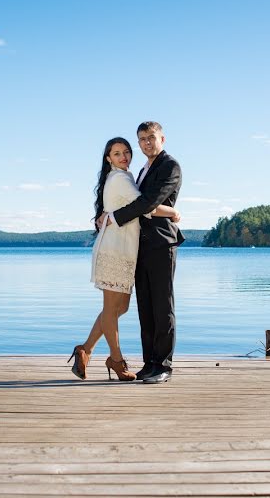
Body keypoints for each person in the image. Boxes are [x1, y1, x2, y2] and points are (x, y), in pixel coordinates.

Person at [69, 137, 179, 382]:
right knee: (112, 308)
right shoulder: (120, 178)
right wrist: (173, 212)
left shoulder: (125, 176)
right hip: (115, 250)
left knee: (120, 307)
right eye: (117, 153)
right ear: (108, 158)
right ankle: (116, 360)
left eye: (126, 152)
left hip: (125, 250)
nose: (123, 157)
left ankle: (85, 350)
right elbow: (144, 206)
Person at [97, 121, 183, 384]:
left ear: (162, 139)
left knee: (162, 306)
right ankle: (150, 364)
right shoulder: (141, 170)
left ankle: (164, 365)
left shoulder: (170, 166)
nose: (147, 142)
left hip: (160, 244)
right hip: (140, 246)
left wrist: (113, 217)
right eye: (142, 139)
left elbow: (146, 203)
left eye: (151, 137)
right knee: (145, 308)